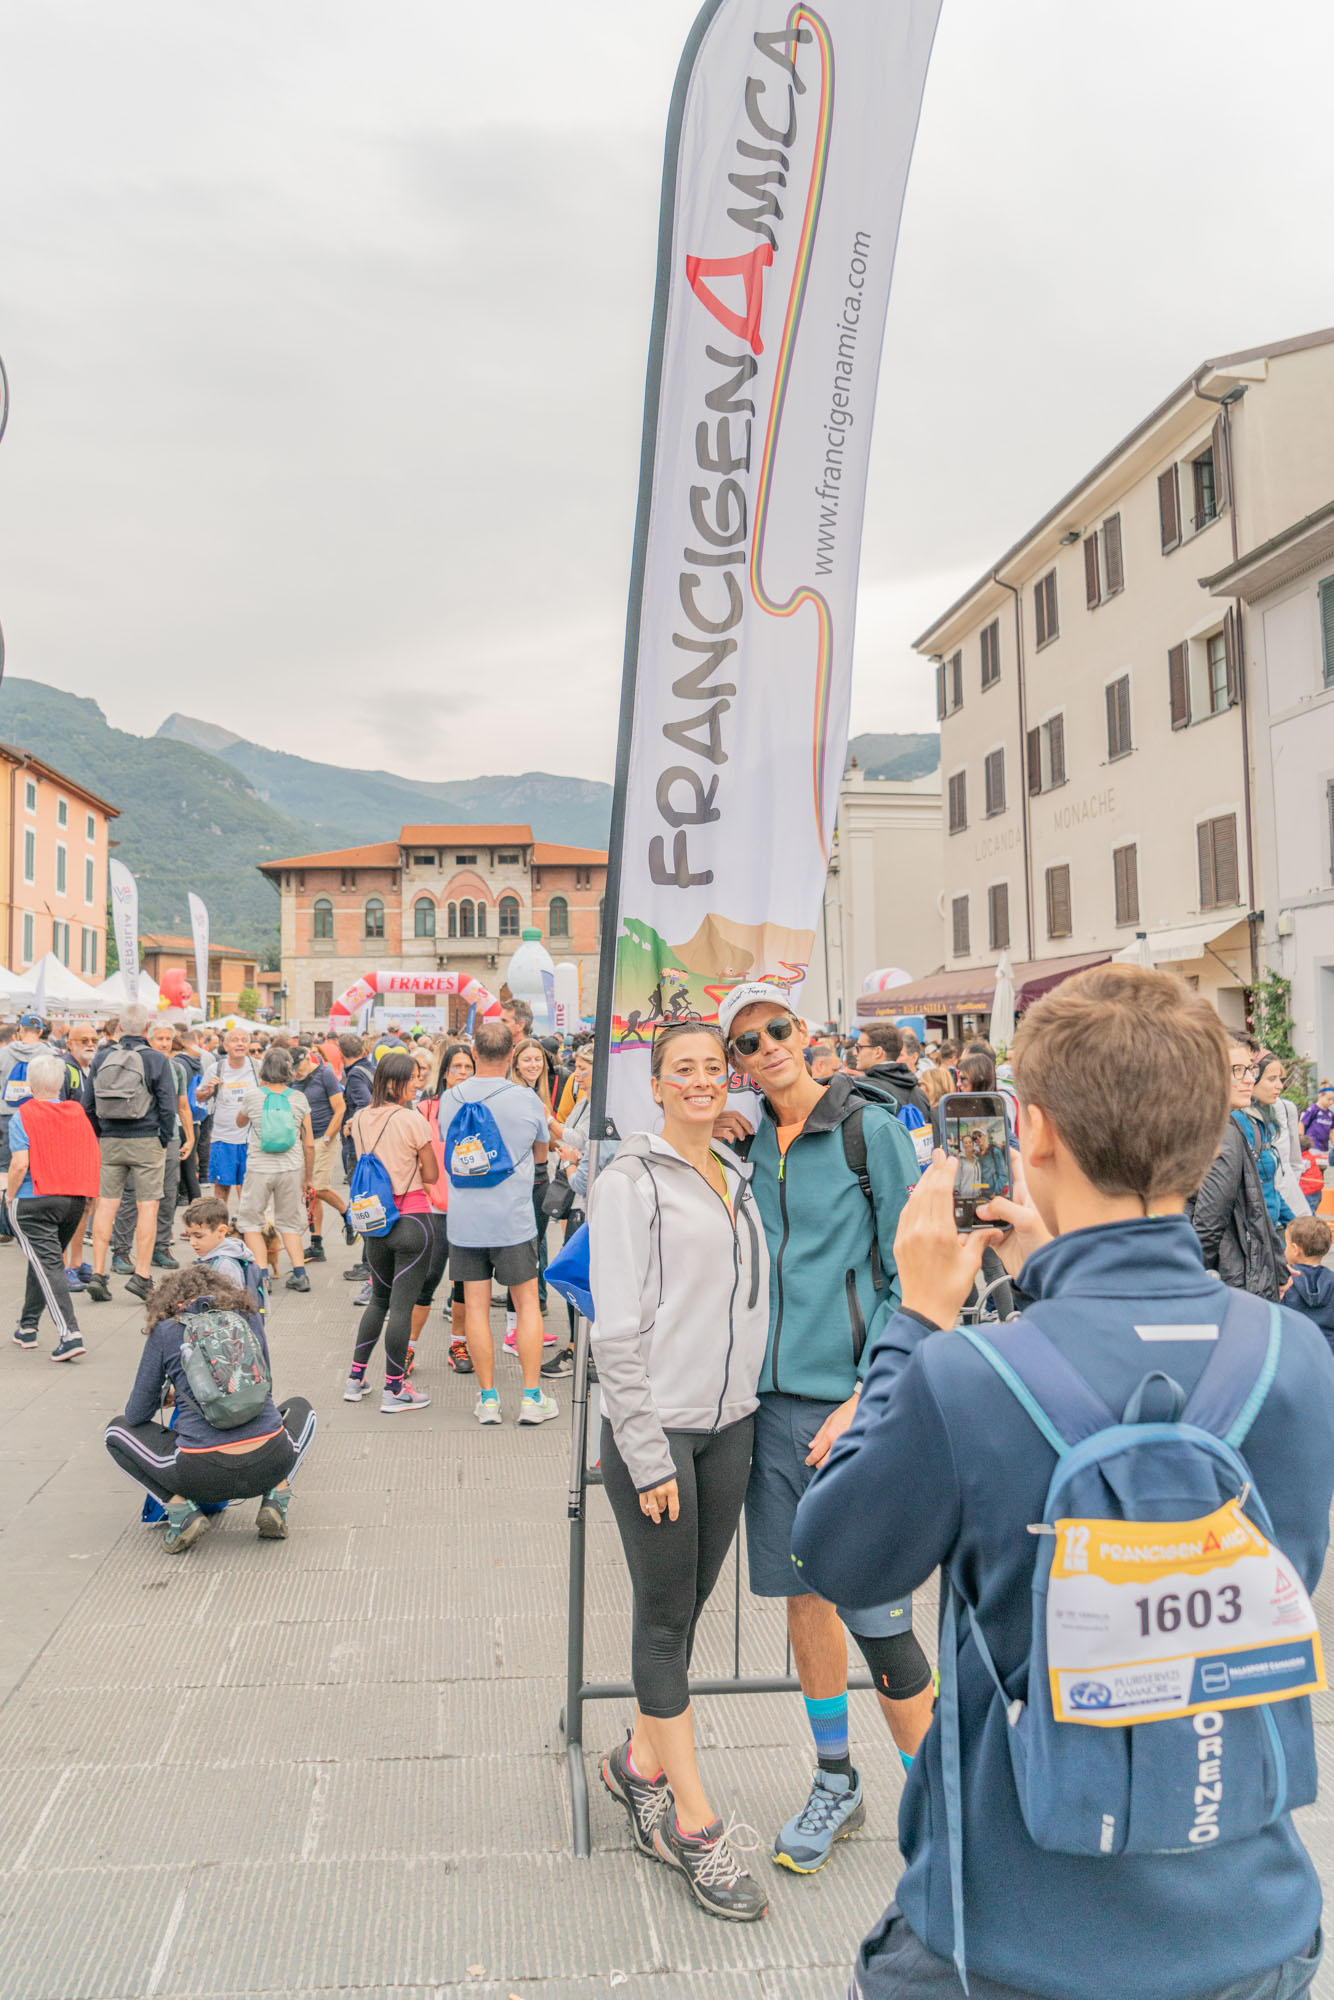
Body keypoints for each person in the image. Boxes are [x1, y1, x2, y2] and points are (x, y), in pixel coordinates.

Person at [792, 962, 1334, 2000]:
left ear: (1031, 1131)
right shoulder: (1294, 1353)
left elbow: (836, 1555)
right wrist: (1054, 1270)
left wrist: (913, 1320)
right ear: (1212, 1131)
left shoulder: (965, 1374)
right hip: (1250, 1914)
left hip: (1016, 1930)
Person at [716, 981, 933, 1875]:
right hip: (770, 1411)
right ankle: (835, 1779)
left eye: (776, 1028)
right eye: (746, 1042)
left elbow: (916, 1272)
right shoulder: (745, 1140)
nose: (766, 1046)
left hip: (853, 1405)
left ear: (803, 1031)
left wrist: (864, 1397)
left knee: (878, 1614)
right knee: (805, 1601)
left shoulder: (867, 1130)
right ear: (735, 1063)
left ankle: (941, 1805)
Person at [590, 1020, 770, 1922]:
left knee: (691, 1607)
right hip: (658, 1431)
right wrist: (644, 1449)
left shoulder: (735, 1173)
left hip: (730, 1424)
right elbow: (616, 1330)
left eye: (713, 1067)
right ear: (656, 1084)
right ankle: (692, 1826)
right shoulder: (627, 1184)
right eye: (683, 1070)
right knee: (664, 1625)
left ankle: (636, 1761)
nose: (702, 1080)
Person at [104, 1265, 317, 1553]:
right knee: (303, 1408)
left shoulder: (165, 1331)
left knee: (116, 1432)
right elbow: (264, 1387)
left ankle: (181, 1513)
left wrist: (174, 1392)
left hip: (201, 1474)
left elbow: (136, 1414)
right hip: (270, 1460)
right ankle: (277, 1494)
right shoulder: (247, 1317)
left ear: (169, 1301)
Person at [440, 1018, 556, 1426]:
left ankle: (488, 1399)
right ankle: (531, 1397)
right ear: (511, 1056)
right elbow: (541, 1155)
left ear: (473, 1054)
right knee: (526, 1305)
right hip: (513, 1219)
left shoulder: (450, 1098)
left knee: (475, 1307)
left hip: (465, 1221)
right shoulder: (526, 1099)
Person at [343, 1049, 440, 1412]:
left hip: (375, 1222)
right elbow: (431, 1174)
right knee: (402, 1307)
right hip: (412, 1220)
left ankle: (355, 1379)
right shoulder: (412, 1120)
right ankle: (395, 1389)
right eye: (413, 1078)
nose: (418, 1083)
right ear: (395, 1082)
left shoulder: (360, 1118)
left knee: (378, 1301)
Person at [7, 1055, 100, 1360]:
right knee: (45, 1260)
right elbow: (91, 1153)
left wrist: (9, 1196)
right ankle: (27, 1326)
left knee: (47, 1264)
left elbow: (20, 1163)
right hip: (73, 1198)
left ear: (30, 1084)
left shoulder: (23, 1115)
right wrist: (91, 1196)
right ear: (61, 1083)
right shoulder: (76, 1112)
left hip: (33, 1198)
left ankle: (69, 1333)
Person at [85, 1003, 179, 1303]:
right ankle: (141, 1275)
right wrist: (163, 1138)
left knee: (106, 1206)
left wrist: (101, 1132)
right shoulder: (156, 1060)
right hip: (146, 1137)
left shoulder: (102, 1057)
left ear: (121, 1028)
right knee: (147, 1207)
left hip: (110, 1139)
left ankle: (98, 1272)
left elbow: (88, 1104)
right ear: (147, 1028)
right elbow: (168, 1106)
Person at [1189, 1039, 1283, 1300]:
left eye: (1250, 1069)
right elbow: (1209, 1223)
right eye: (1237, 1071)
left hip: (1238, 1273)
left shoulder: (1221, 1123)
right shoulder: (1221, 1130)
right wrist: (1189, 1274)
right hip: (1234, 1279)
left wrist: (1279, 1266)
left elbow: (1255, 1208)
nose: (1249, 1079)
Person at [110, 1020, 193, 1273]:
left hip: (170, 1137)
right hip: (141, 1137)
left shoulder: (177, 1068)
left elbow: (182, 1105)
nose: (165, 1044)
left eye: (168, 1039)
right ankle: (121, 1251)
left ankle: (160, 1246)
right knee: (131, 1194)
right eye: (160, 1039)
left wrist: (189, 1137)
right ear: (150, 1039)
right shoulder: (137, 1062)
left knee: (168, 1193)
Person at [234, 1047, 313, 1292]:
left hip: (259, 1167)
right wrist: (308, 1178)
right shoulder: (299, 1098)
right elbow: (309, 1143)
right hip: (291, 1168)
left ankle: (262, 1277)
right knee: (289, 1222)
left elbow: (239, 1122)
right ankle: (300, 1274)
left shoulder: (253, 1096)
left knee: (251, 1223)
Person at [509, 1035, 555, 1326]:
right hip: (528, 1179)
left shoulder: (537, 1093)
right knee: (527, 1246)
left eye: (538, 1059)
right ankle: (525, 1308)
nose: (533, 1064)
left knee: (535, 1244)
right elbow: (539, 1143)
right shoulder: (520, 1095)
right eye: (527, 1059)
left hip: (536, 1178)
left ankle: (533, 1301)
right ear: (516, 1063)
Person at [198, 1026, 259, 1211]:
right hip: (223, 1138)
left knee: (248, 1189)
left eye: (244, 1040)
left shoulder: (257, 1067)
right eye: (235, 1040)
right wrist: (208, 1091)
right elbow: (199, 1096)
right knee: (221, 1189)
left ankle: (248, 1225)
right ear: (225, 1046)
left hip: (252, 1139)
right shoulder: (216, 1068)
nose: (240, 1044)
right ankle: (220, 1225)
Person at [294, 1043, 346, 1260]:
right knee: (309, 1192)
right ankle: (317, 1243)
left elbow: (340, 1108)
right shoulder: (292, 1079)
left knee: (318, 1186)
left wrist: (327, 1138)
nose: (296, 1072)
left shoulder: (325, 1074)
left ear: (308, 1058)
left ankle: (348, 1214)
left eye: (298, 1067)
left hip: (322, 1137)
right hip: (301, 1140)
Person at [182, 1195, 265, 1309]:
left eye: (198, 1236)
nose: (192, 1242)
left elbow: (233, 1305)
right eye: (189, 1236)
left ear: (221, 1231)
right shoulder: (210, 1255)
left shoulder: (225, 1265)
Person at [339, 1033, 376, 1278]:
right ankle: (369, 1261)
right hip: (368, 1145)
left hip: (358, 1147)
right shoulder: (369, 1068)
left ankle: (369, 1263)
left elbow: (365, 1102)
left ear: (341, 1054)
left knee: (362, 1202)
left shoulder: (354, 1075)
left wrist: (353, 1122)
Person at [855, 1024, 932, 1118]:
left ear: (878, 1052)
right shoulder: (918, 1092)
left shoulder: (862, 1089)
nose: (855, 1053)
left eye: (859, 1047)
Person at [1283, 1215, 1334, 1348]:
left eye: (1286, 1245)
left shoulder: (1285, 1282)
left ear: (1295, 1249)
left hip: (1294, 1347)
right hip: (1328, 1349)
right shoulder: (1331, 1280)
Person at [1300, 1087, 1334, 1156]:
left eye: (1333, 1100)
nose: (1331, 1102)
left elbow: (1331, 1131)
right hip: (1312, 1147)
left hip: (1324, 1148)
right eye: (1329, 1099)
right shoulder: (1313, 1110)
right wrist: (1301, 1139)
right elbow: (1302, 1123)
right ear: (1320, 1096)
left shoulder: (1330, 1114)